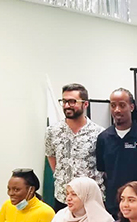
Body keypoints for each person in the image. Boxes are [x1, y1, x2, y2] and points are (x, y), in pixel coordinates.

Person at [96, 88, 137, 217]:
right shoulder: (103, 138)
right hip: (113, 206)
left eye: (122, 105)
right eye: (113, 105)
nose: (117, 110)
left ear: (131, 107)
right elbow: (103, 172)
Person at [45, 83, 105, 211]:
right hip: (63, 197)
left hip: (90, 200)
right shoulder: (52, 131)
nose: (67, 106)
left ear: (85, 104)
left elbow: (104, 167)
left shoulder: (99, 133)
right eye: (64, 101)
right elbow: (51, 157)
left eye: (72, 102)